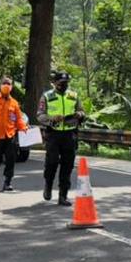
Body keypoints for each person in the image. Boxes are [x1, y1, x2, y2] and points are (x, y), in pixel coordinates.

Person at [37, 71, 85, 206]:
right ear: (55, 83)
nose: (63, 85)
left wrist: (79, 114)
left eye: (66, 83)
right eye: (60, 83)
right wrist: (51, 119)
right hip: (53, 134)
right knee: (51, 162)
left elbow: (82, 111)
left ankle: (63, 195)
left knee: (67, 165)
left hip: (70, 134)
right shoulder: (47, 96)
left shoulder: (74, 95)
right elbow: (40, 115)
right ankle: (48, 185)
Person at [0, 76, 27, 192]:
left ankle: (8, 181)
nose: (6, 85)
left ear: (11, 87)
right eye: (4, 83)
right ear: (0, 85)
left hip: (9, 135)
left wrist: (23, 128)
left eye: (9, 84)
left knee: (11, 159)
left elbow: (19, 118)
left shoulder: (14, 103)